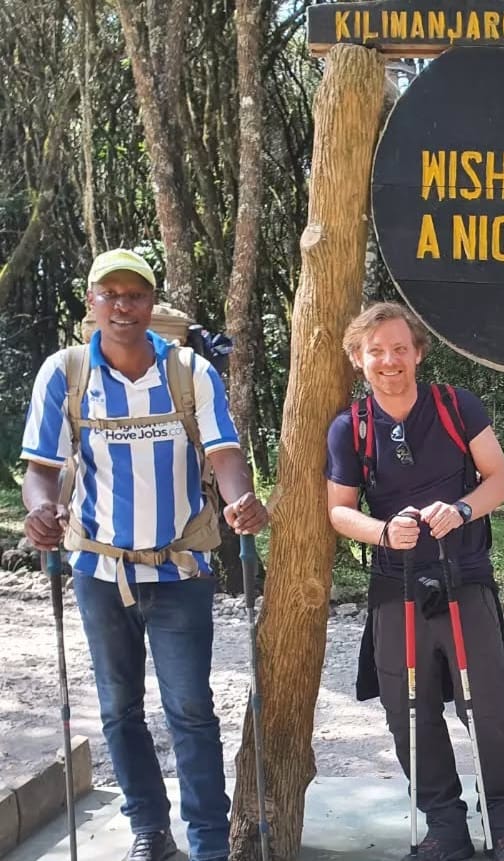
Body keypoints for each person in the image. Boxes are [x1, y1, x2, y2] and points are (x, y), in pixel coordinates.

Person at [21, 248, 269, 861]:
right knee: (118, 709)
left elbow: (224, 454)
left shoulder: (189, 371)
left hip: (179, 568)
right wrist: (41, 510)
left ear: (151, 303)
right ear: (92, 303)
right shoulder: (65, 373)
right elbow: (41, 469)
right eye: (110, 294)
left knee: (191, 709)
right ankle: (149, 832)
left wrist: (241, 502)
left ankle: (209, 844)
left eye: (134, 294)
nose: (122, 306)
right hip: (98, 570)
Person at [325, 302, 504, 861]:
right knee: (409, 711)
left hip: (465, 576)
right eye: (375, 351)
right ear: (358, 359)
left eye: (399, 348)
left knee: (487, 705)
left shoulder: (456, 406)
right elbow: (339, 510)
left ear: (418, 352)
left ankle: (503, 824)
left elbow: (500, 479)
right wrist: (383, 532)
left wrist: (461, 511)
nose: (389, 361)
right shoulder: (350, 427)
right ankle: (444, 827)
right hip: (397, 584)